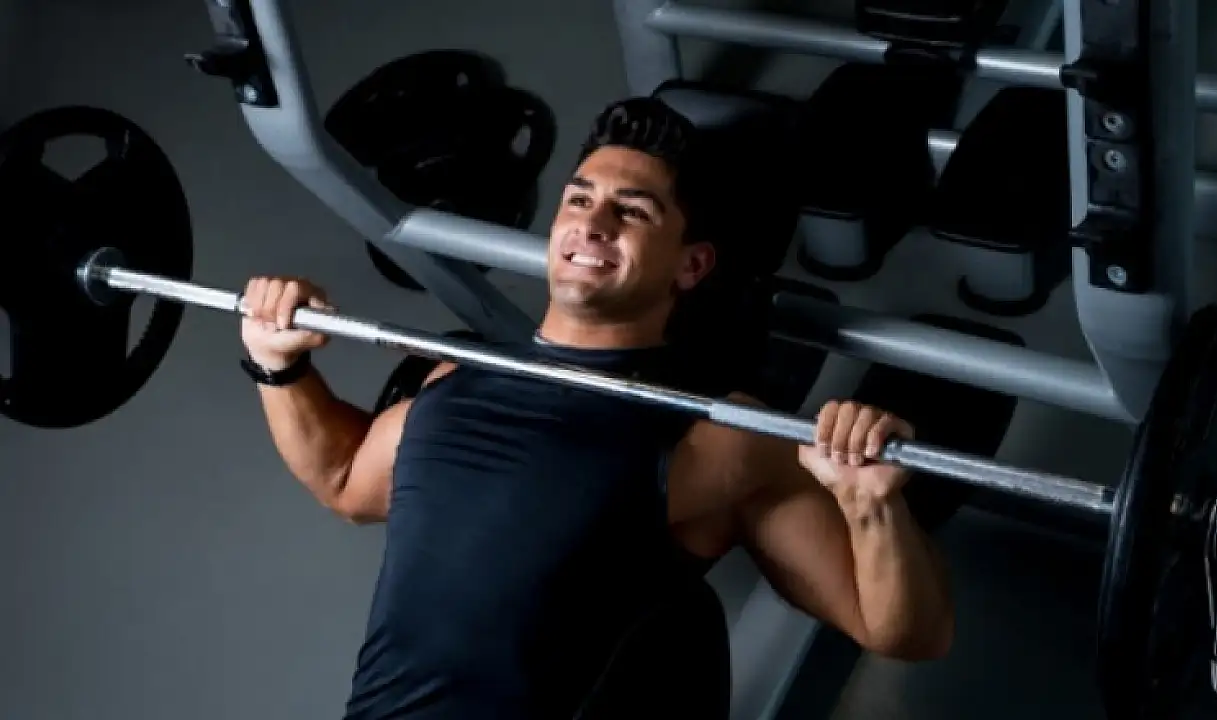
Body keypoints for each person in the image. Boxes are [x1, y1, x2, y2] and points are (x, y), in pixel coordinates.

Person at [238, 97, 954, 719]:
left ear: (691, 265)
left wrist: (872, 506)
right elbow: (344, 482)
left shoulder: (719, 437)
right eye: (578, 200)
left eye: (632, 211)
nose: (592, 223)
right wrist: (280, 365)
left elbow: (902, 633)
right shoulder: (454, 380)